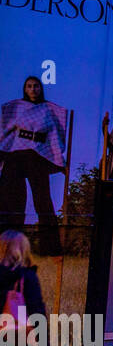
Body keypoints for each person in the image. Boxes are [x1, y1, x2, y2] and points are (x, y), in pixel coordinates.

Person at [0, 77, 68, 255]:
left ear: (41, 88)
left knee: (43, 200)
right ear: (25, 89)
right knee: (11, 201)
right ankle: (8, 246)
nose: (33, 89)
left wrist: (59, 160)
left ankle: (50, 248)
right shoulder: (15, 107)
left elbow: (54, 136)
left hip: (37, 155)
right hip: (16, 154)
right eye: (29, 86)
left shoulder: (48, 109)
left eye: (36, 86)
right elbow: (5, 131)